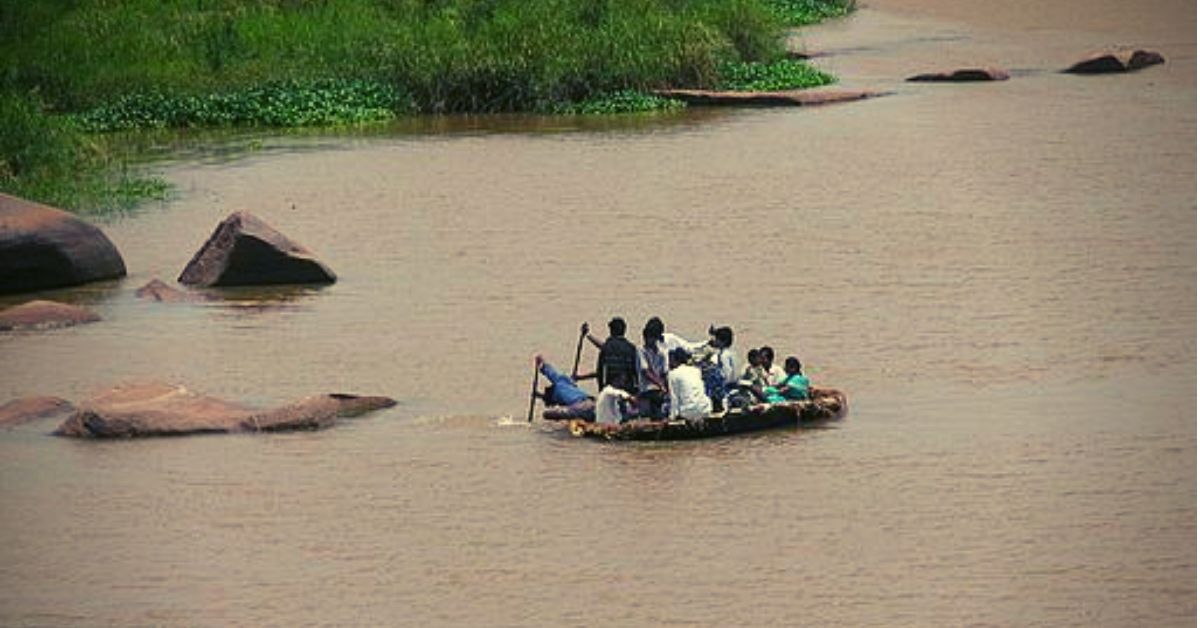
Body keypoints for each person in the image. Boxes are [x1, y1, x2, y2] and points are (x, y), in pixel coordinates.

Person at [582, 318, 638, 395]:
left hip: (611, 390)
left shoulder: (607, 348)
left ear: (611, 331)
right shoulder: (631, 349)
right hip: (628, 390)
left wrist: (601, 390)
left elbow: (600, 372)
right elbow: (636, 372)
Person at [536, 355, 595, 420]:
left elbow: (552, 401)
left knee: (546, 414)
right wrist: (542, 364)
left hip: (580, 407)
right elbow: (551, 373)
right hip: (591, 402)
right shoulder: (564, 383)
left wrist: (543, 365)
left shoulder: (558, 391)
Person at [636, 321, 669, 419]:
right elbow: (646, 372)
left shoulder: (662, 352)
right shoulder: (641, 350)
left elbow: (665, 372)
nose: (646, 340)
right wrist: (661, 384)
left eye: (649, 338)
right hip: (646, 390)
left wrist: (666, 387)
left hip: (659, 391)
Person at [667, 348, 711, 421]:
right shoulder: (696, 370)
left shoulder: (672, 374)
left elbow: (674, 398)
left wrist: (672, 417)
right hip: (705, 408)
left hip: (688, 412)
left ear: (674, 360)